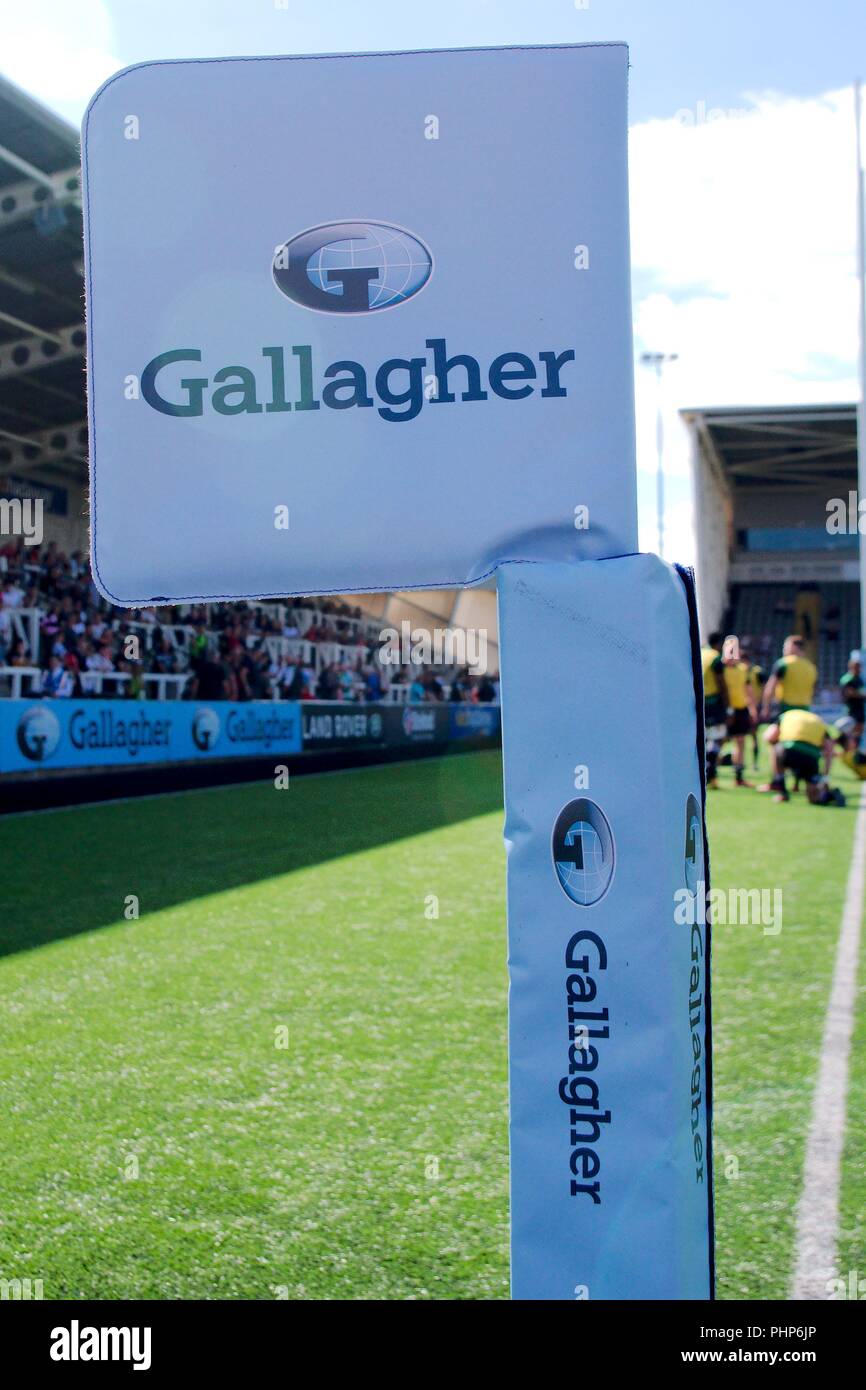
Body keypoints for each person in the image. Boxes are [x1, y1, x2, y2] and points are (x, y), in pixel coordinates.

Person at [762, 708, 844, 806]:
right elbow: (829, 749)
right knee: (814, 799)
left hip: (789, 752)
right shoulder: (819, 721)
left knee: (776, 749)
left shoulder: (785, 716)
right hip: (811, 758)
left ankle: (782, 791)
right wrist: (825, 776)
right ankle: (828, 795)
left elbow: (768, 737)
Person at [722, 636, 757, 787]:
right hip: (725, 710)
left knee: (741, 742)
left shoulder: (743, 670)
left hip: (740, 709)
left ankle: (738, 777)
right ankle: (710, 774)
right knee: (718, 741)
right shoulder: (720, 669)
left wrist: (752, 709)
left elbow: (748, 690)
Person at [760, 634, 817, 719]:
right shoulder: (811, 667)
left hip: (786, 708)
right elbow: (813, 689)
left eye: (785, 646)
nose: (783, 649)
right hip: (805, 708)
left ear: (794, 647)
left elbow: (770, 687)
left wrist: (766, 707)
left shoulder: (783, 663)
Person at [701, 631, 728, 789]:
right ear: (719, 644)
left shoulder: (700, 653)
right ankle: (710, 772)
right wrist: (727, 705)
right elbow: (721, 682)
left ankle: (703, 770)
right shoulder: (715, 658)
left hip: (698, 702)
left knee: (703, 737)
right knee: (717, 736)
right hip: (713, 701)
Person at [840, 650, 865, 739]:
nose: (859, 669)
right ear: (852, 667)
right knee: (851, 731)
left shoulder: (859, 679)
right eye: (857, 667)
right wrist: (862, 695)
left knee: (859, 730)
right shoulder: (848, 679)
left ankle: (855, 748)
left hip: (860, 709)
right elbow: (849, 693)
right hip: (851, 709)